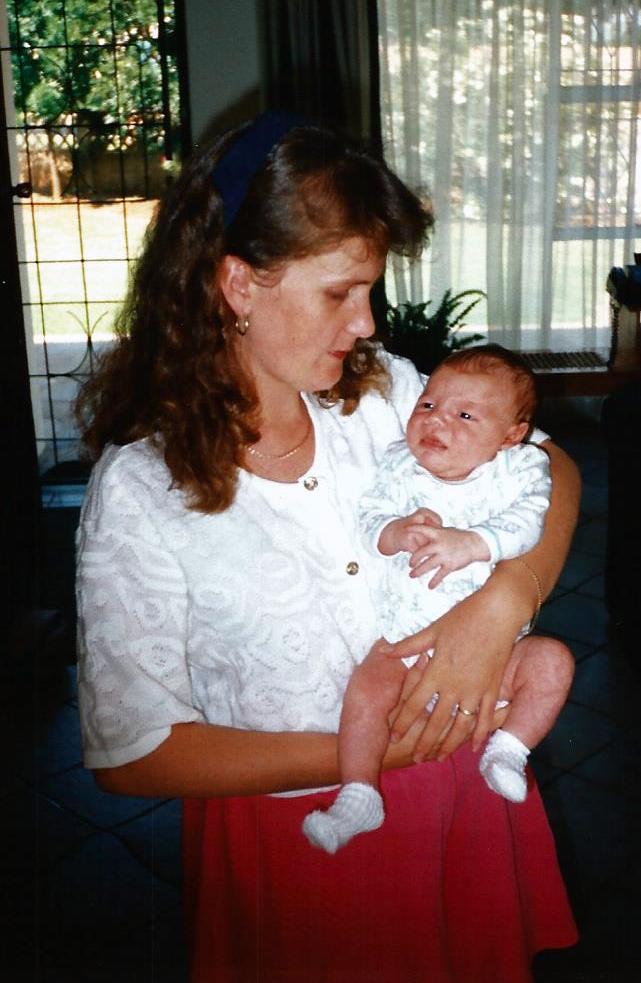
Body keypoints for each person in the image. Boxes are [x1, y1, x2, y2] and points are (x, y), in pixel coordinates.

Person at [75, 112, 579, 982]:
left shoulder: (384, 399)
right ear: (239, 283)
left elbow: (550, 466)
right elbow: (133, 752)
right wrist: (371, 753)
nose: (367, 321)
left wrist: (504, 601)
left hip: (464, 796)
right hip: (304, 837)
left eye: (369, 291)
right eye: (340, 292)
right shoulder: (143, 489)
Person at [303, 345, 575, 854]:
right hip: (403, 641)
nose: (437, 420)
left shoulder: (519, 468)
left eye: (465, 416)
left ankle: (509, 749)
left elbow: (528, 523)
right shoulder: (398, 463)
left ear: (510, 435)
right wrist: (394, 531)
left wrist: (474, 542)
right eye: (427, 404)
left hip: (496, 653)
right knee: (365, 691)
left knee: (553, 663)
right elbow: (369, 517)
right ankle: (359, 794)